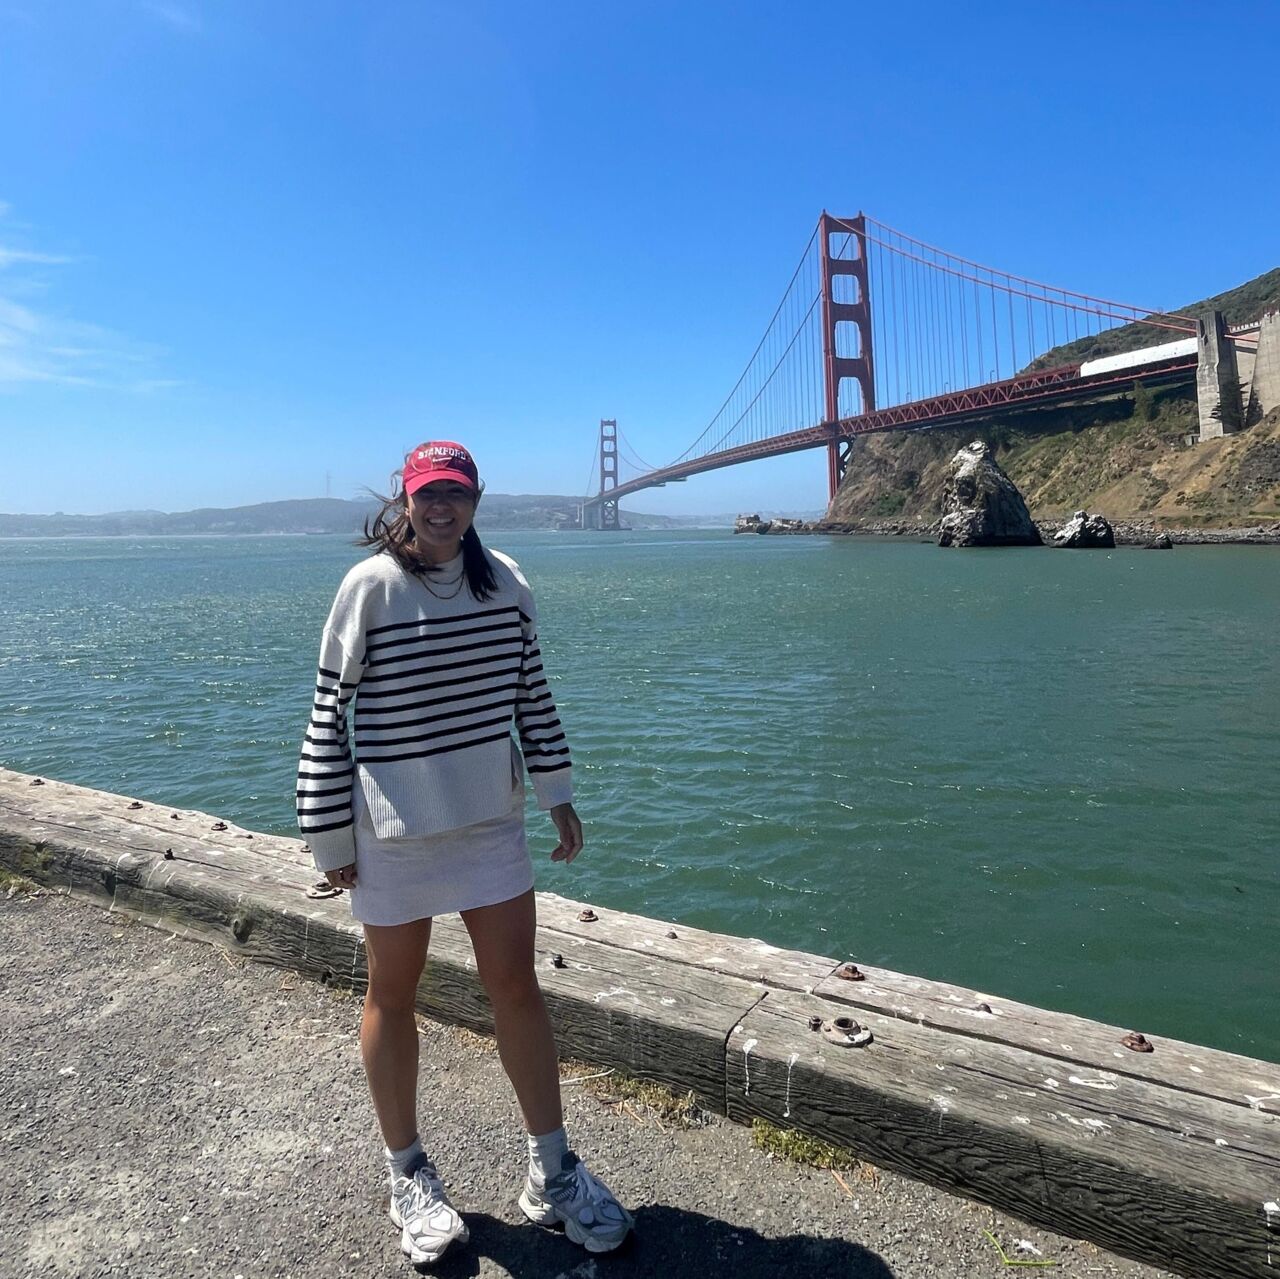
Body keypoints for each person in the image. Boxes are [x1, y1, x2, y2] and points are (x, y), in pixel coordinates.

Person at [296, 441, 633, 1265]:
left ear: (476, 497)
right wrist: (328, 833)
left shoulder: (506, 582)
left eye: (455, 492)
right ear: (403, 500)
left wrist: (558, 791)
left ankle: (551, 1172)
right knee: (392, 993)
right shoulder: (369, 586)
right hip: (394, 830)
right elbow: (326, 713)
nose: (441, 506)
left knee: (517, 987)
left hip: (488, 821)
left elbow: (531, 691)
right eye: (426, 493)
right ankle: (408, 1174)